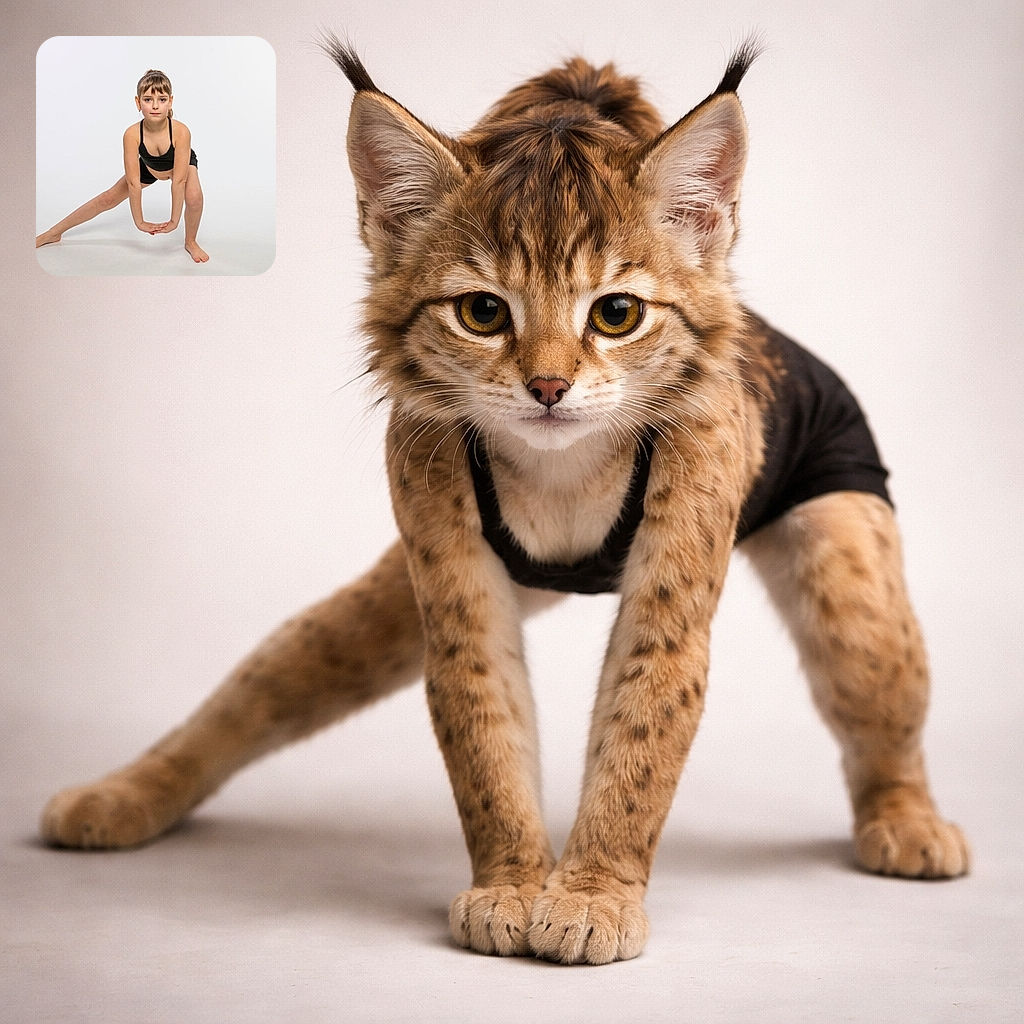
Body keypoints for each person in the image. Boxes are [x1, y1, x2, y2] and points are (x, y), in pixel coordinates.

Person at [36, 69, 208, 263]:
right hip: (150, 166)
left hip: (180, 167)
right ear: (137, 102)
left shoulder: (181, 131)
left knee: (194, 197)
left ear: (170, 102)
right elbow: (134, 184)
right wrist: (139, 222)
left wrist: (174, 221)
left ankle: (191, 241)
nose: (155, 106)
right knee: (107, 198)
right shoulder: (132, 134)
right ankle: (53, 232)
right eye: (148, 99)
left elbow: (179, 181)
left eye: (162, 99)